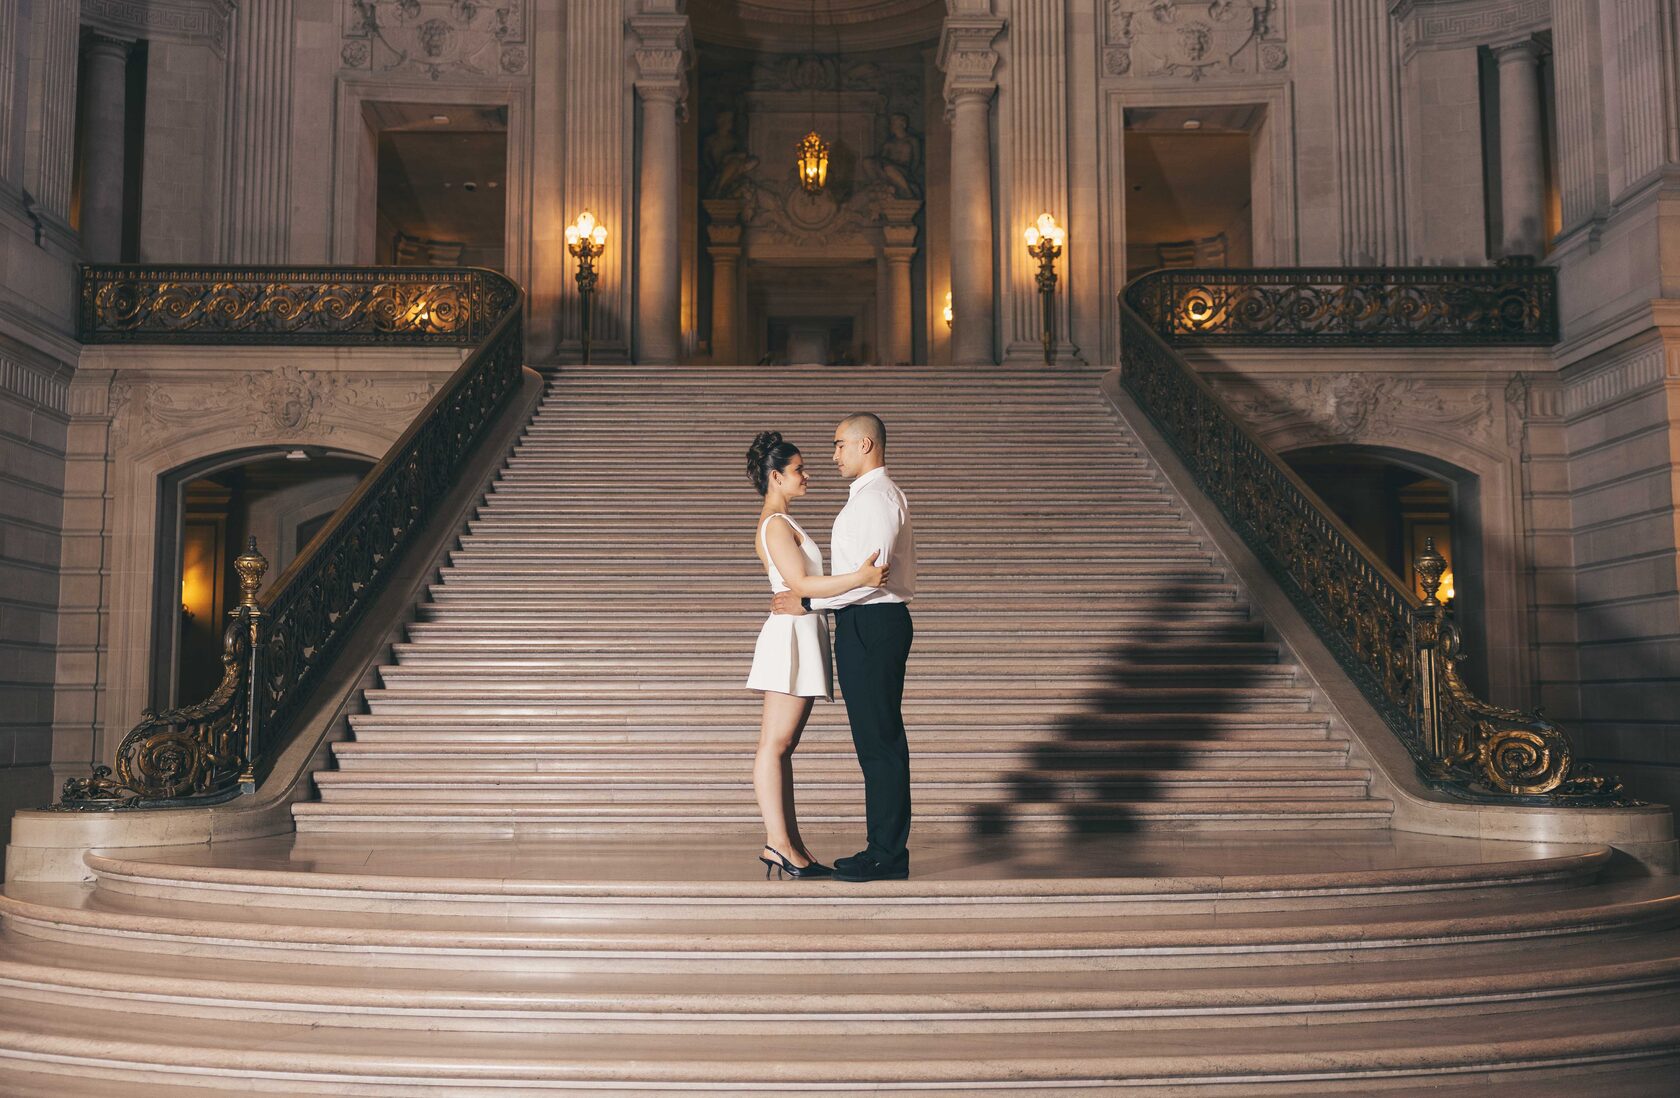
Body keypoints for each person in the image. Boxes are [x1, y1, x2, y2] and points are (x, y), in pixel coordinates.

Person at [772, 413, 916, 882]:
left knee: (880, 742)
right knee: (874, 741)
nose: (833, 455)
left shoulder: (876, 499)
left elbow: (873, 579)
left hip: (873, 621)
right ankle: (883, 849)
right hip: (861, 622)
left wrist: (807, 601)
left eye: (839, 445)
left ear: (865, 445)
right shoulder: (866, 497)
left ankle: (887, 855)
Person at [745, 431, 888, 880]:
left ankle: (790, 845)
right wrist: (860, 577)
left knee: (782, 746)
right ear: (776, 477)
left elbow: (804, 589)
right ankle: (779, 844)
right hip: (789, 636)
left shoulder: (783, 521)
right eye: (799, 470)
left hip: (801, 631)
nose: (807, 475)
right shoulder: (774, 524)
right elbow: (802, 586)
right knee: (775, 744)